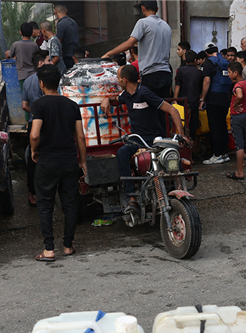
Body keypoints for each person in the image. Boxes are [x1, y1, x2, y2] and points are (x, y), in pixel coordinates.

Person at [100, 65, 189, 214]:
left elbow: (172, 110)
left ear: (125, 80)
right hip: (136, 139)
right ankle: (131, 199)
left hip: (155, 139)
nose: (117, 81)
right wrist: (106, 99)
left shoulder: (145, 93)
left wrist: (181, 135)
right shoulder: (126, 94)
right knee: (122, 153)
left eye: (118, 78)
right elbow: (116, 97)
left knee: (172, 157)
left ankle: (180, 190)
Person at [29, 65, 86, 261]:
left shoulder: (39, 105)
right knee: (70, 204)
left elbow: (35, 134)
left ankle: (49, 249)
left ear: (41, 83)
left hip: (47, 161)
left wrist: (35, 151)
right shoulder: (72, 105)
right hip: (69, 161)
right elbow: (80, 136)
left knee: (45, 205)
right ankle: (68, 246)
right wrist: (83, 161)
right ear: (59, 82)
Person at [102, 0, 172, 98]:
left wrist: (108, 53)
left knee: (149, 109)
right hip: (166, 74)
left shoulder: (143, 23)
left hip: (151, 75)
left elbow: (130, 43)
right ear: (157, 9)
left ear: (143, 9)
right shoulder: (167, 26)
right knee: (163, 108)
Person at [22, 49, 52, 207]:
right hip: (50, 123)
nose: (51, 62)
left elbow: (24, 106)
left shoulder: (27, 81)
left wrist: (35, 112)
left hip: (34, 122)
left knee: (33, 160)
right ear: (40, 63)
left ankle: (32, 193)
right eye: (48, 60)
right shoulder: (50, 80)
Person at [198, 45, 232, 163]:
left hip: (213, 97)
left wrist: (202, 99)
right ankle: (224, 153)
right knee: (223, 125)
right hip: (224, 97)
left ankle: (217, 155)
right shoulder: (225, 61)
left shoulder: (209, 62)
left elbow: (207, 81)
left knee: (215, 126)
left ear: (207, 53)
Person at [226, 62, 246, 181]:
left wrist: (234, 106)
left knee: (239, 145)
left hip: (238, 116)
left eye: (229, 72)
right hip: (245, 114)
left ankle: (240, 172)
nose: (228, 74)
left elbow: (239, 96)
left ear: (235, 73)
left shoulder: (238, 85)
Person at [174, 50, 204, 142]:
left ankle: (183, 148)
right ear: (195, 60)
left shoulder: (180, 70)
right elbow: (201, 89)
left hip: (182, 103)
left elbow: (177, 86)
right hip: (194, 103)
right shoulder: (199, 73)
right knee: (193, 129)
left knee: (182, 127)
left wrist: (175, 99)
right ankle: (192, 151)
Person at [6, 23, 37, 90]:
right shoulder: (34, 45)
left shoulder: (16, 45)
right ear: (31, 33)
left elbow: (8, 56)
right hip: (33, 74)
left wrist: (7, 53)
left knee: (25, 96)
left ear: (20, 32)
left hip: (22, 75)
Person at [54, 2, 80, 71]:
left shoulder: (61, 24)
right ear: (66, 10)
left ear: (55, 11)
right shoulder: (73, 22)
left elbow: (58, 41)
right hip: (77, 55)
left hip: (68, 56)